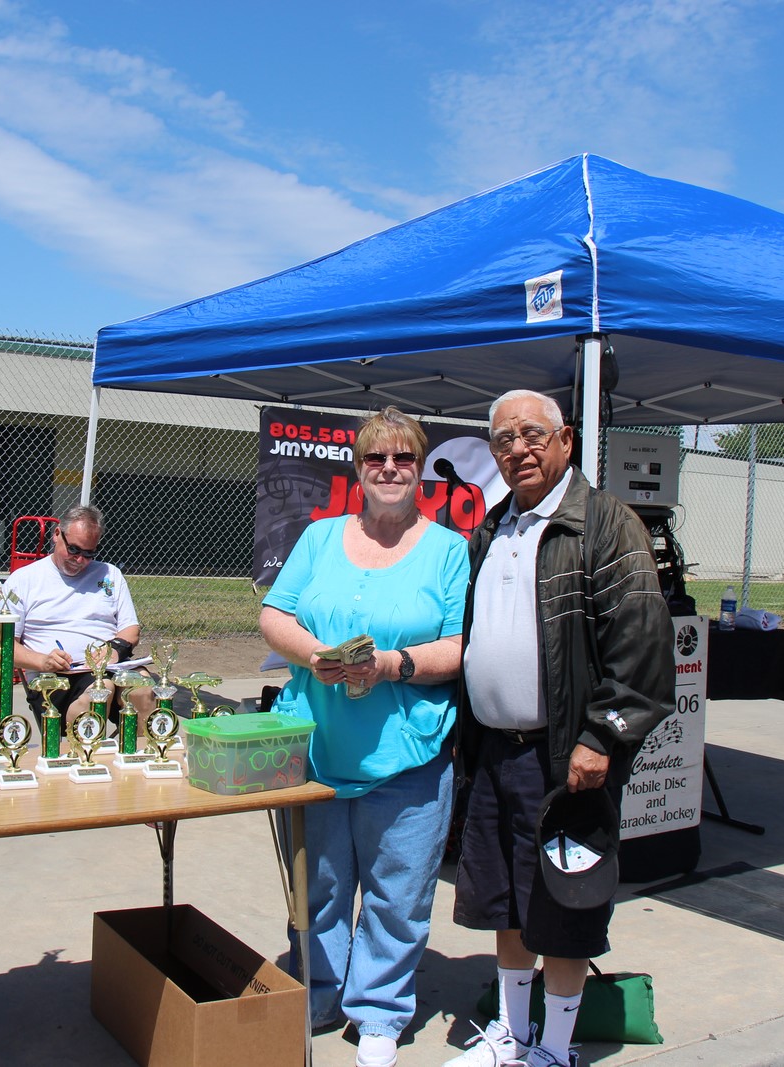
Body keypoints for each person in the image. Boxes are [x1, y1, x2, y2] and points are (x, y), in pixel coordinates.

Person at [443, 390, 671, 1067]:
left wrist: (602, 736)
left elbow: (644, 647)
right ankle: (512, 1036)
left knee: (566, 910)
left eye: (532, 433)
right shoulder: (492, 528)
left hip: (566, 759)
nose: (519, 448)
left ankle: (555, 1048)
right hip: (494, 755)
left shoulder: (604, 524)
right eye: (504, 439)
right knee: (506, 904)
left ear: (566, 439)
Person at [260, 406, 469, 1067]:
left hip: (408, 753)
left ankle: (378, 1012)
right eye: (376, 457)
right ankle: (319, 990)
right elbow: (273, 613)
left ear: (419, 469)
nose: (388, 468)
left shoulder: (449, 549)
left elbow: (460, 644)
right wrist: (315, 652)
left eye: (402, 457)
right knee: (318, 886)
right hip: (319, 747)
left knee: (397, 890)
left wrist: (392, 665)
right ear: (358, 467)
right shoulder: (320, 538)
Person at [0, 504, 151, 726]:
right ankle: (82, 755)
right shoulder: (23, 579)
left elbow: (130, 629)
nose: (79, 560)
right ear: (57, 534)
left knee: (143, 687)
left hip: (108, 666)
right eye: (74, 550)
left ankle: (141, 754)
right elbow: (3, 644)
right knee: (101, 690)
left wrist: (115, 649)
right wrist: (43, 660)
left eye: (88, 554)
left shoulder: (110, 574)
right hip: (58, 675)